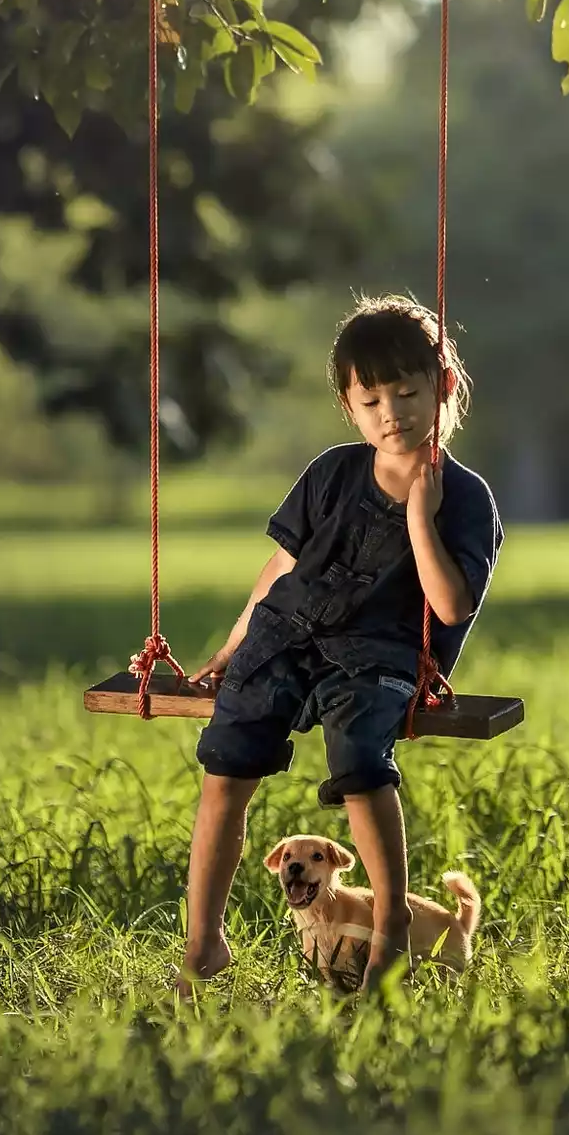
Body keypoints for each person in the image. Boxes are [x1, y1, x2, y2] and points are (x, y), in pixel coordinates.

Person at [175, 295, 502, 994]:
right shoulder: (331, 474)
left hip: (382, 654)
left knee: (357, 758)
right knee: (227, 759)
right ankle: (204, 942)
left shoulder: (465, 497)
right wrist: (232, 648)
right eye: (371, 400)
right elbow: (281, 569)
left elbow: (451, 604)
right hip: (287, 635)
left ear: (443, 385)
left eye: (407, 393)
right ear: (350, 407)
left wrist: (420, 517)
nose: (391, 413)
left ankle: (390, 926)